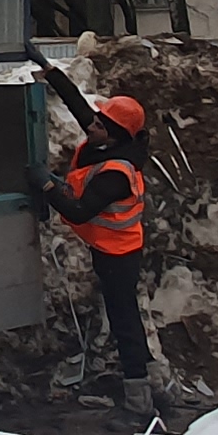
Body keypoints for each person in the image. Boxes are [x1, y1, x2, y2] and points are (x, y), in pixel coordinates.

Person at [43, 93, 154, 399]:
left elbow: (79, 211)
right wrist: (48, 68)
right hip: (112, 249)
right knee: (125, 315)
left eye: (98, 124)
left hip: (118, 255)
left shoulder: (117, 174)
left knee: (124, 319)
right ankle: (150, 375)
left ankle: (138, 395)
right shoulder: (111, 141)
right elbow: (79, 108)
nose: (89, 127)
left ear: (114, 132)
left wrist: (48, 187)